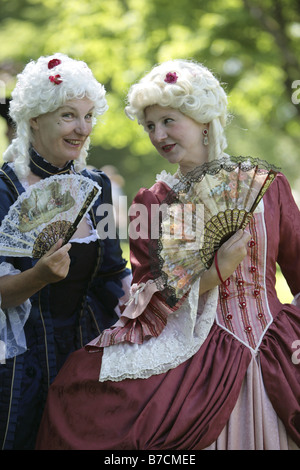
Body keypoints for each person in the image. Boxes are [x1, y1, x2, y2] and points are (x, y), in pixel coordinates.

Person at [36, 59, 300, 450]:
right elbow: (148, 297)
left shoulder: (268, 186)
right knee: (78, 387)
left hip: (275, 345)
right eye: (149, 126)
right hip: (199, 353)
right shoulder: (151, 203)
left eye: (168, 121)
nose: (158, 135)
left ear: (204, 120)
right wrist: (215, 273)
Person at [0, 53, 131, 450]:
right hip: (18, 365)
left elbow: (112, 270)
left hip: (86, 354)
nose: (83, 129)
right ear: (34, 118)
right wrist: (38, 275)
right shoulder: (5, 188)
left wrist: (139, 308)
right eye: (69, 116)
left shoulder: (98, 187)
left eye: (89, 116)